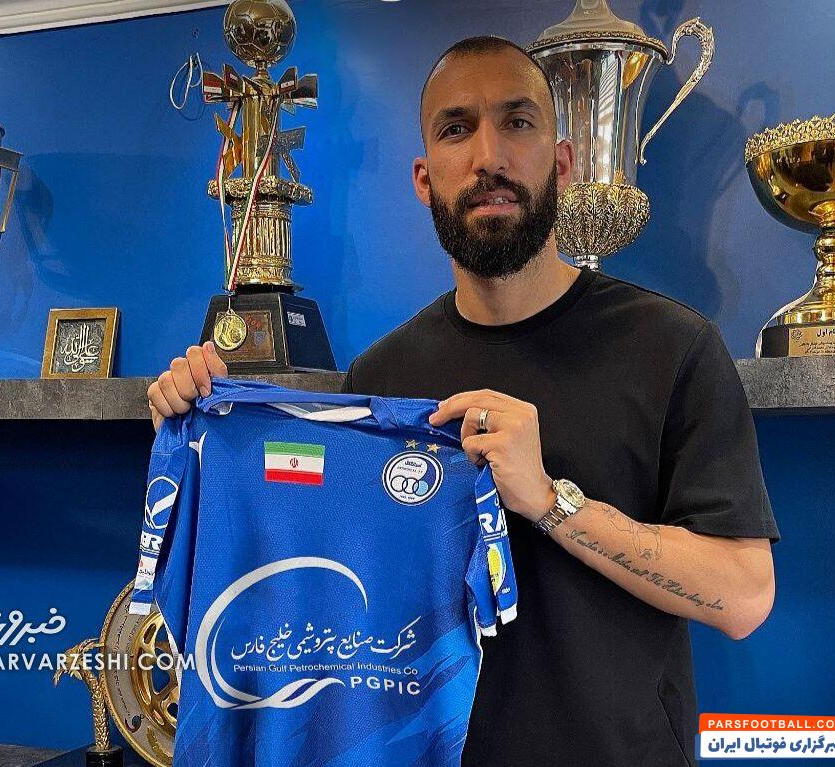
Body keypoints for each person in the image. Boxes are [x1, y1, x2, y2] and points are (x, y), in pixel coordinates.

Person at [148, 36, 779, 767]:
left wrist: (549, 501)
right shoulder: (383, 376)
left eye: (517, 122)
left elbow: (744, 597)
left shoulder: (673, 348)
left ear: (562, 163)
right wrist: (202, 438)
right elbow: (318, 561)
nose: (489, 156)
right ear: (425, 178)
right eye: (457, 129)